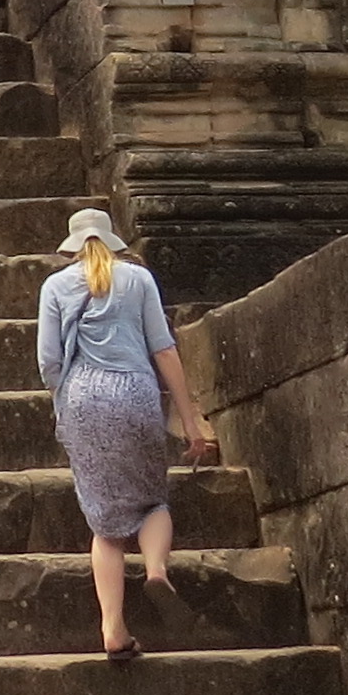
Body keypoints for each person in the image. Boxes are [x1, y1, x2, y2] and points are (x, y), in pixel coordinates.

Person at [35, 208, 215, 658]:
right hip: (135, 393)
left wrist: (68, 397)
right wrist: (191, 421)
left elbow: (48, 362)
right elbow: (165, 350)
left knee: (104, 521)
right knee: (152, 500)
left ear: (73, 246)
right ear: (112, 240)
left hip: (82, 398)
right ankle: (155, 570)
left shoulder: (55, 286)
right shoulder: (139, 280)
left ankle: (113, 628)